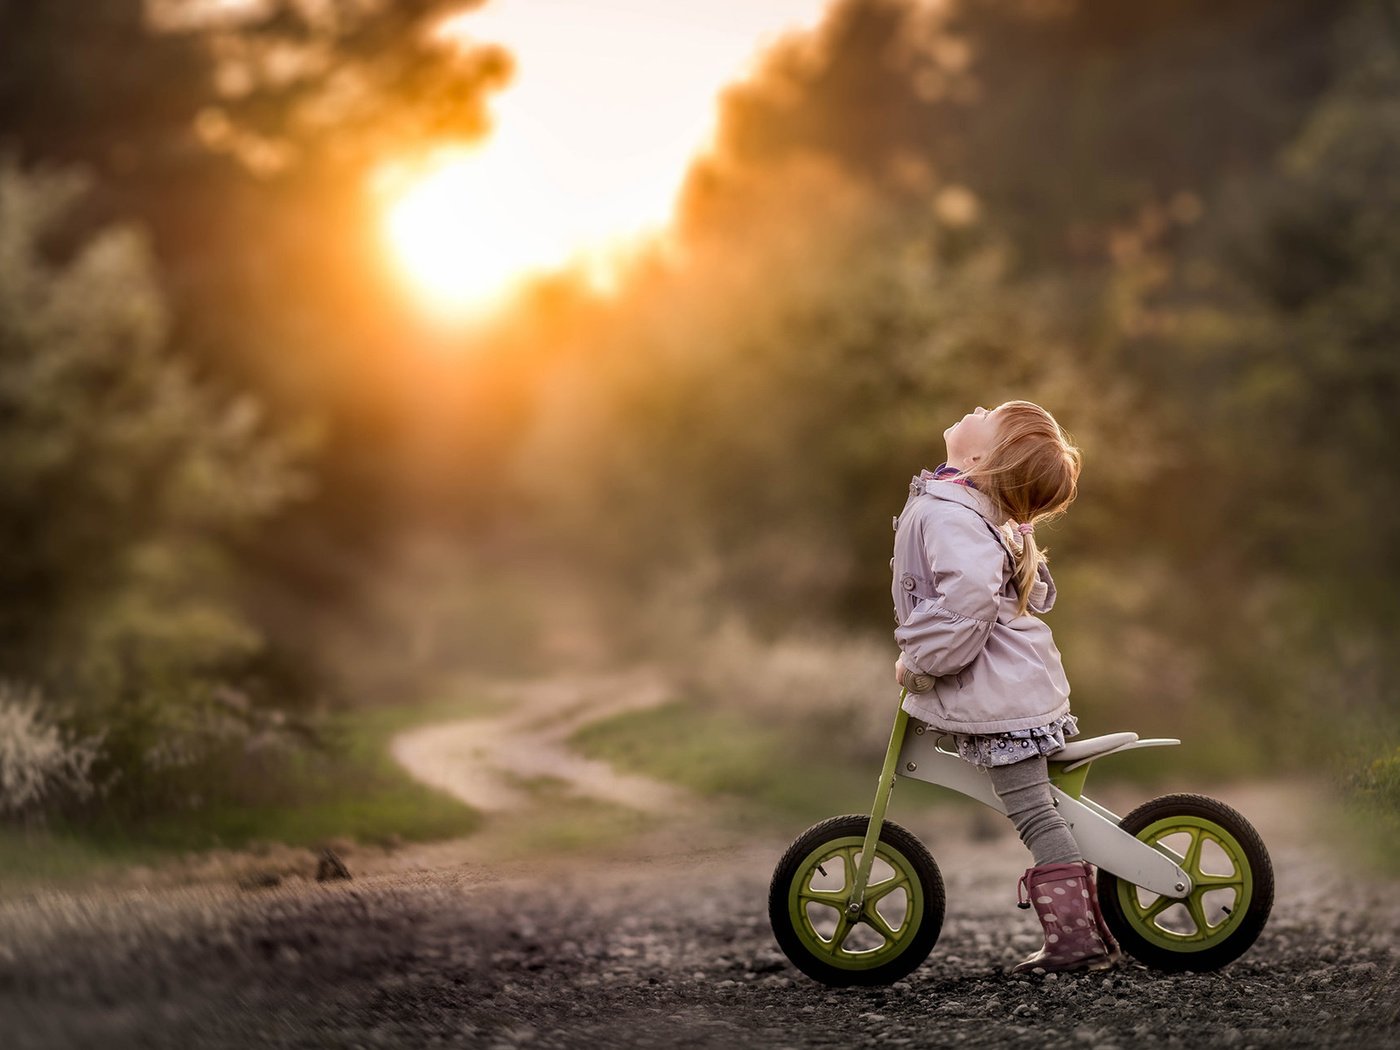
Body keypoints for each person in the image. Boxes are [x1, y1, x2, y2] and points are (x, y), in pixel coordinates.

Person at [890, 399, 1120, 975]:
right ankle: (1091, 931)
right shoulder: (965, 506)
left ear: (979, 457)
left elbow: (966, 604)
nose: (977, 406)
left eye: (989, 414)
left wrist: (922, 662)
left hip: (1002, 701)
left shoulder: (952, 513)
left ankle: (1078, 943)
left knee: (1036, 815)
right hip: (1012, 689)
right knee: (1045, 809)